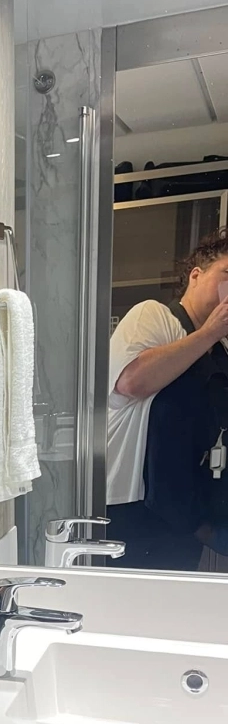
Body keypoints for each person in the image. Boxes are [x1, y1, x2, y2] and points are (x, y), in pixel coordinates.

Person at [106, 230, 228, 569]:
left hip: (183, 511)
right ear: (196, 275)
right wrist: (210, 331)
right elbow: (131, 382)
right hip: (131, 506)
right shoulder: (154, 316)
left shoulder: (218, 350)